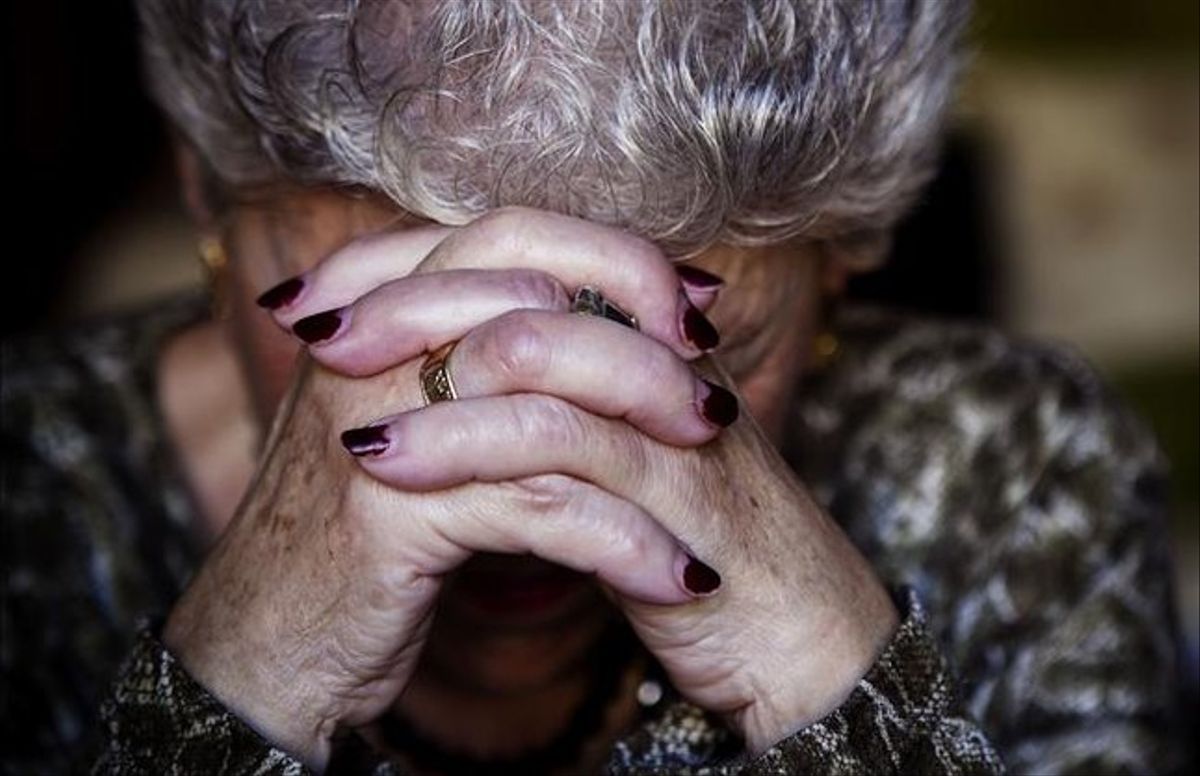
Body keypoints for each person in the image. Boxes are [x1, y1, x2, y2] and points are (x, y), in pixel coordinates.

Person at [1, 1, 1188, 774]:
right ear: (204, 194)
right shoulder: (23, 494)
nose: (521, 463)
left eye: (668, 336)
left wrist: (833, 682)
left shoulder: (1023, 468)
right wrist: (239, 687)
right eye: (386, 310)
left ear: (842, 254)